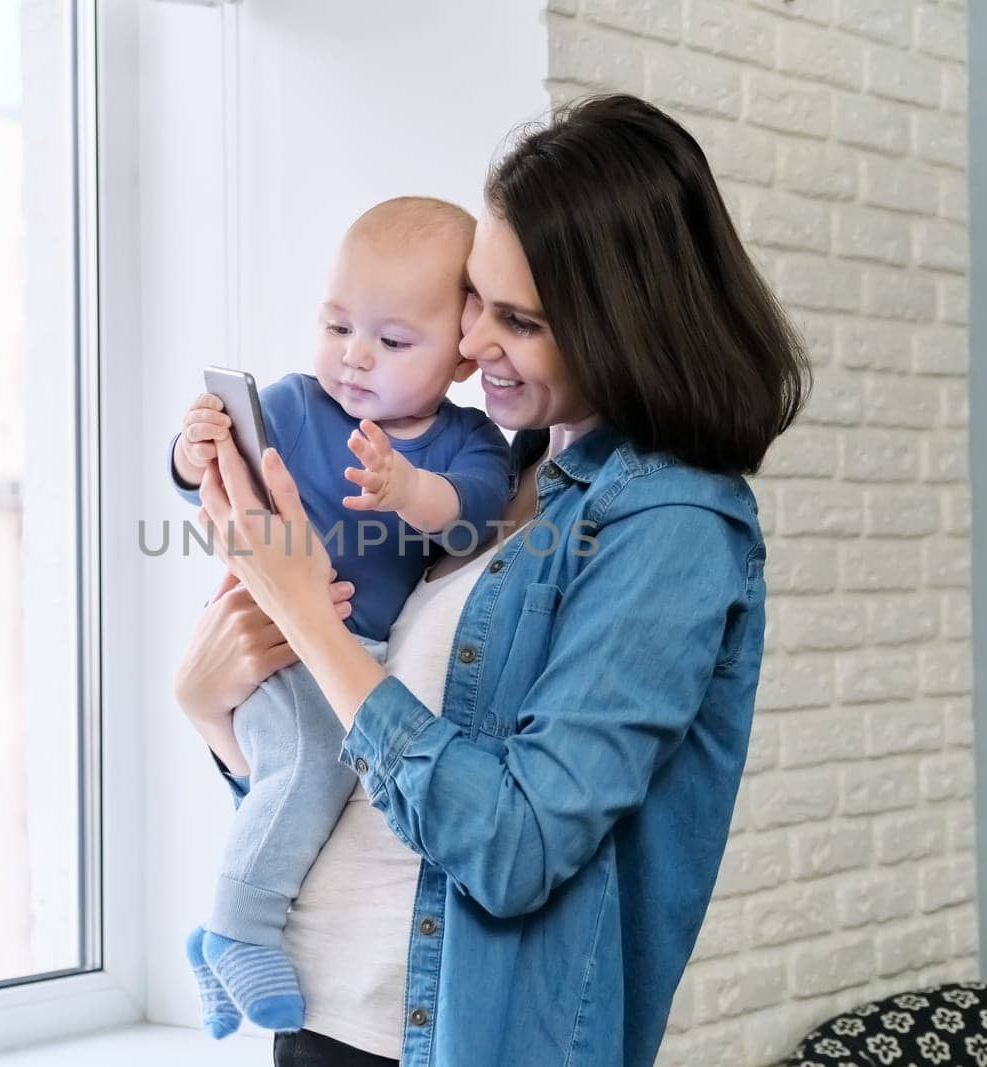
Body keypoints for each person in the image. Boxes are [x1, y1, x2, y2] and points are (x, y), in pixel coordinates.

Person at [176, 93, 809, 1066]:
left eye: (518, 320)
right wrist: (216, 713)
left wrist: (310, 617)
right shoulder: (495, 475)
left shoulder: (672, 528)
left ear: (623, 323)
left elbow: (513, 848)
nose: (470, 345)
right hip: (323, 1018)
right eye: (474, 296)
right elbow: (356, 791)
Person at [166, 197, 514, 1036]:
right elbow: (199, 486)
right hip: (276, 638)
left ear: (461, 357)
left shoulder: (468, 441)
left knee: (309, 789)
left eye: (393, 342)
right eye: (336, 326)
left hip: (347, 655)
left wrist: (405, 490)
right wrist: (191, 451)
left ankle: (223, 940)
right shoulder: (292, 404)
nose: (355, 359)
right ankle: (240, 927)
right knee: (310, 772)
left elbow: (472, 513)